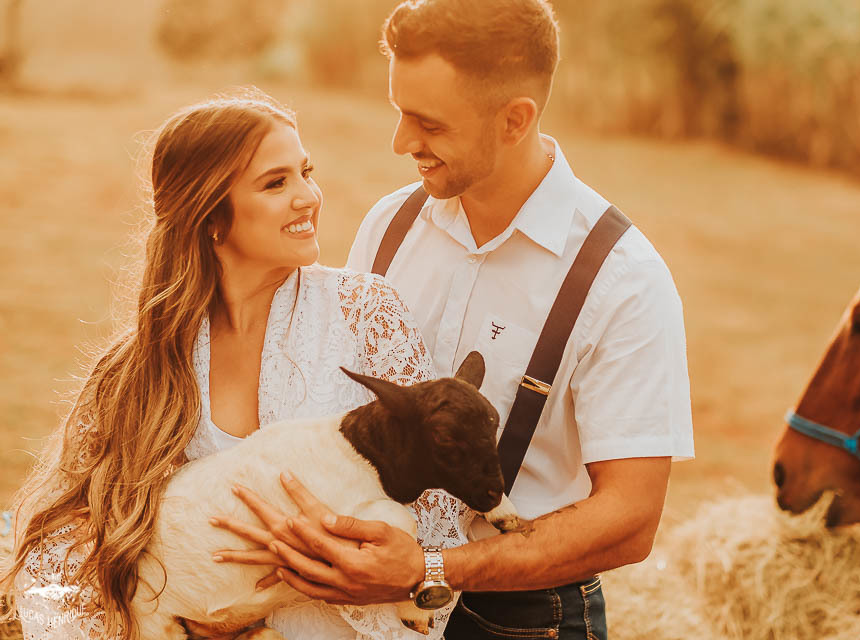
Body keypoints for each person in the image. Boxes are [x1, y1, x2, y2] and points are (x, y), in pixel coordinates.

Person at [211, 1, 695, 638]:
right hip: (359, 607)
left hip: (521, 619)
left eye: (428, 124)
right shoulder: (389, 226)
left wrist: (430, 566)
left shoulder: (621, 278)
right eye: (399, 113)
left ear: (515, 119)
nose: (401, 142)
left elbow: (631, 520)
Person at [0, 88, 469, 640]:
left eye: (305, 172)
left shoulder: (368, 314)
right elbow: (61, 549)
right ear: (211, 216)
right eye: (276, 183)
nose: (309, 197)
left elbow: (442, 511)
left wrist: (378, 571)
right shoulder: (138, 368)